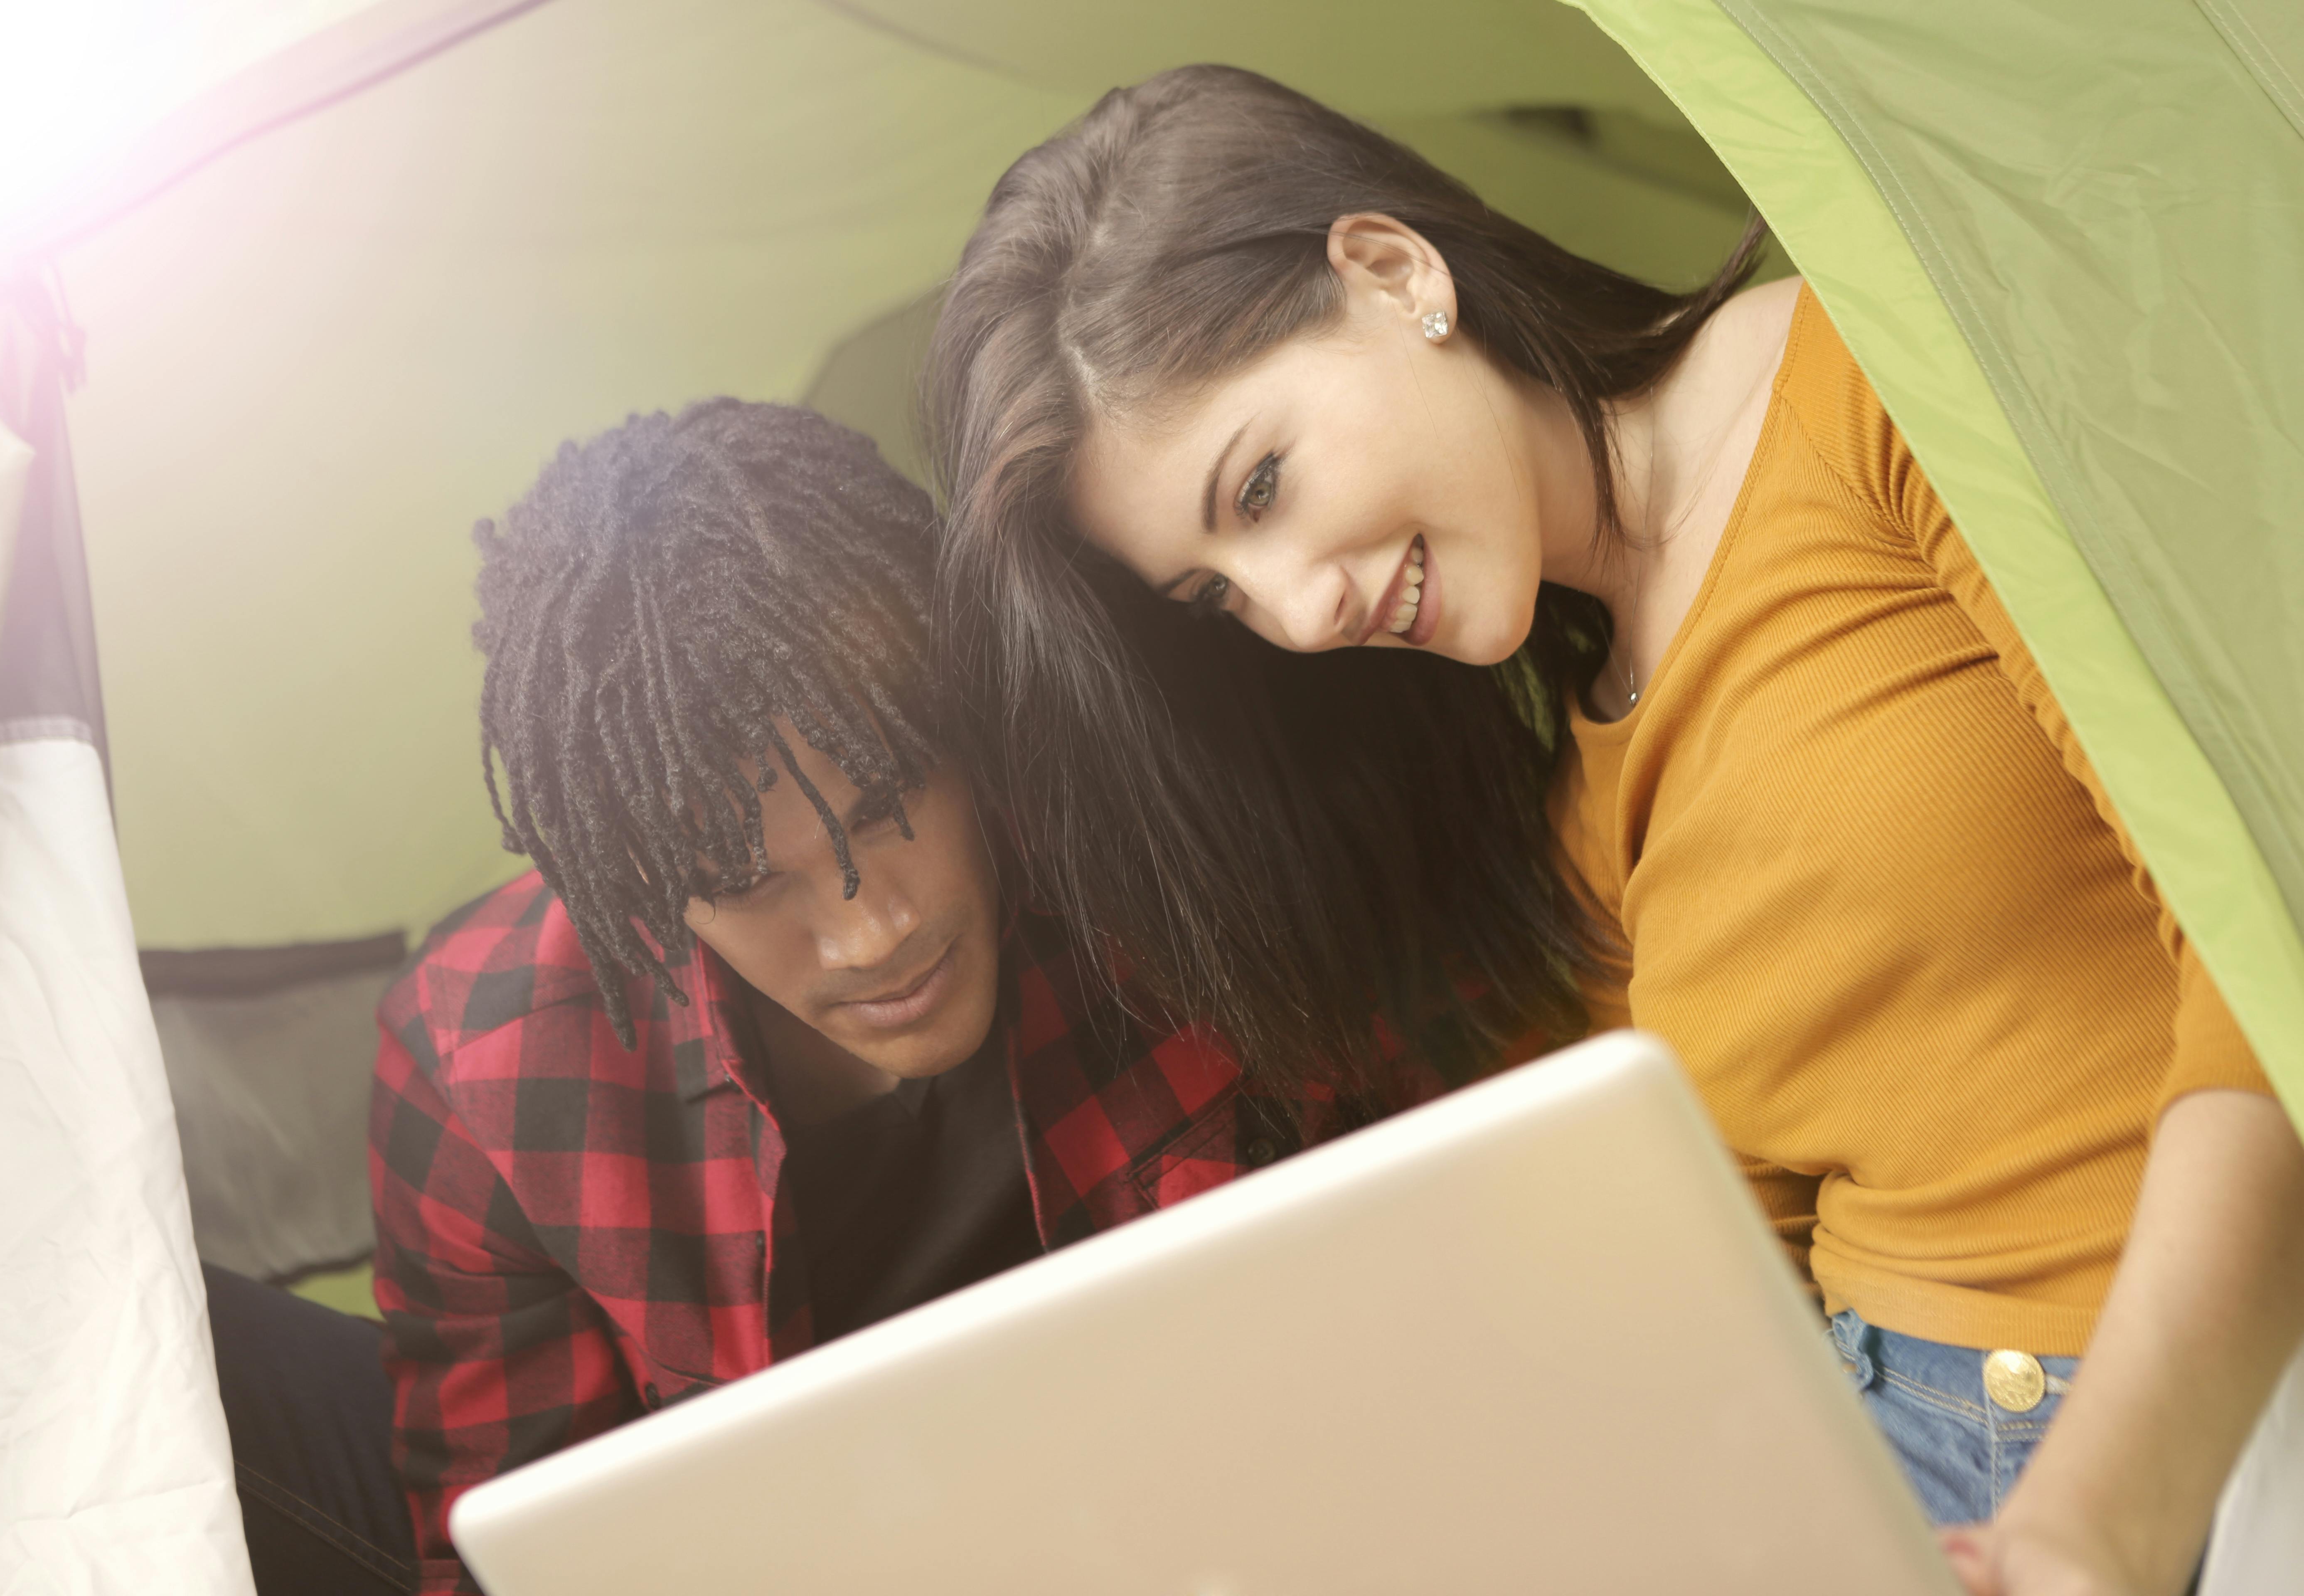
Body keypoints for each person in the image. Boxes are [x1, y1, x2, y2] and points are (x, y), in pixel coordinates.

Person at [920, 64, 2304, 1596]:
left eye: (1262, 483)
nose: (1299, 613)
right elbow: (1719, 1272)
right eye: (1217, 596)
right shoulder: (1580, 780)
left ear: (1393, 274)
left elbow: (2270, 954)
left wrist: (2094, 1524)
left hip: (2177, 1453)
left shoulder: (1876, 387)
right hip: (1888, 1482)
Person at [347, 399, 1474, 1595]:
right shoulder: (483, 1063)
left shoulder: (1174, 822)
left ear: (953, 703)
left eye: (890, 805)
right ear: (639, 889)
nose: (871, 931)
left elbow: (1468, 1214)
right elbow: (508, 1560)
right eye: (746, 883)